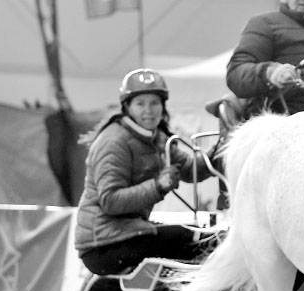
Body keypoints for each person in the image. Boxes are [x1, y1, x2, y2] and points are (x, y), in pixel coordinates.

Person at [75, 68, 219, 276]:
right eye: (140, 103)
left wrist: (221, 150)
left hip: (129, 232)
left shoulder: (156, 137)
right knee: (199, 241)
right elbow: (110, 200)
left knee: (201, 243)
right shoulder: (114, 141)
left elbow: (189, 170)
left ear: (163, 106)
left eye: (154, 103)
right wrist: (158, 186)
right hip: (103, 245)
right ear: (127, 107)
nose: (149, 110)